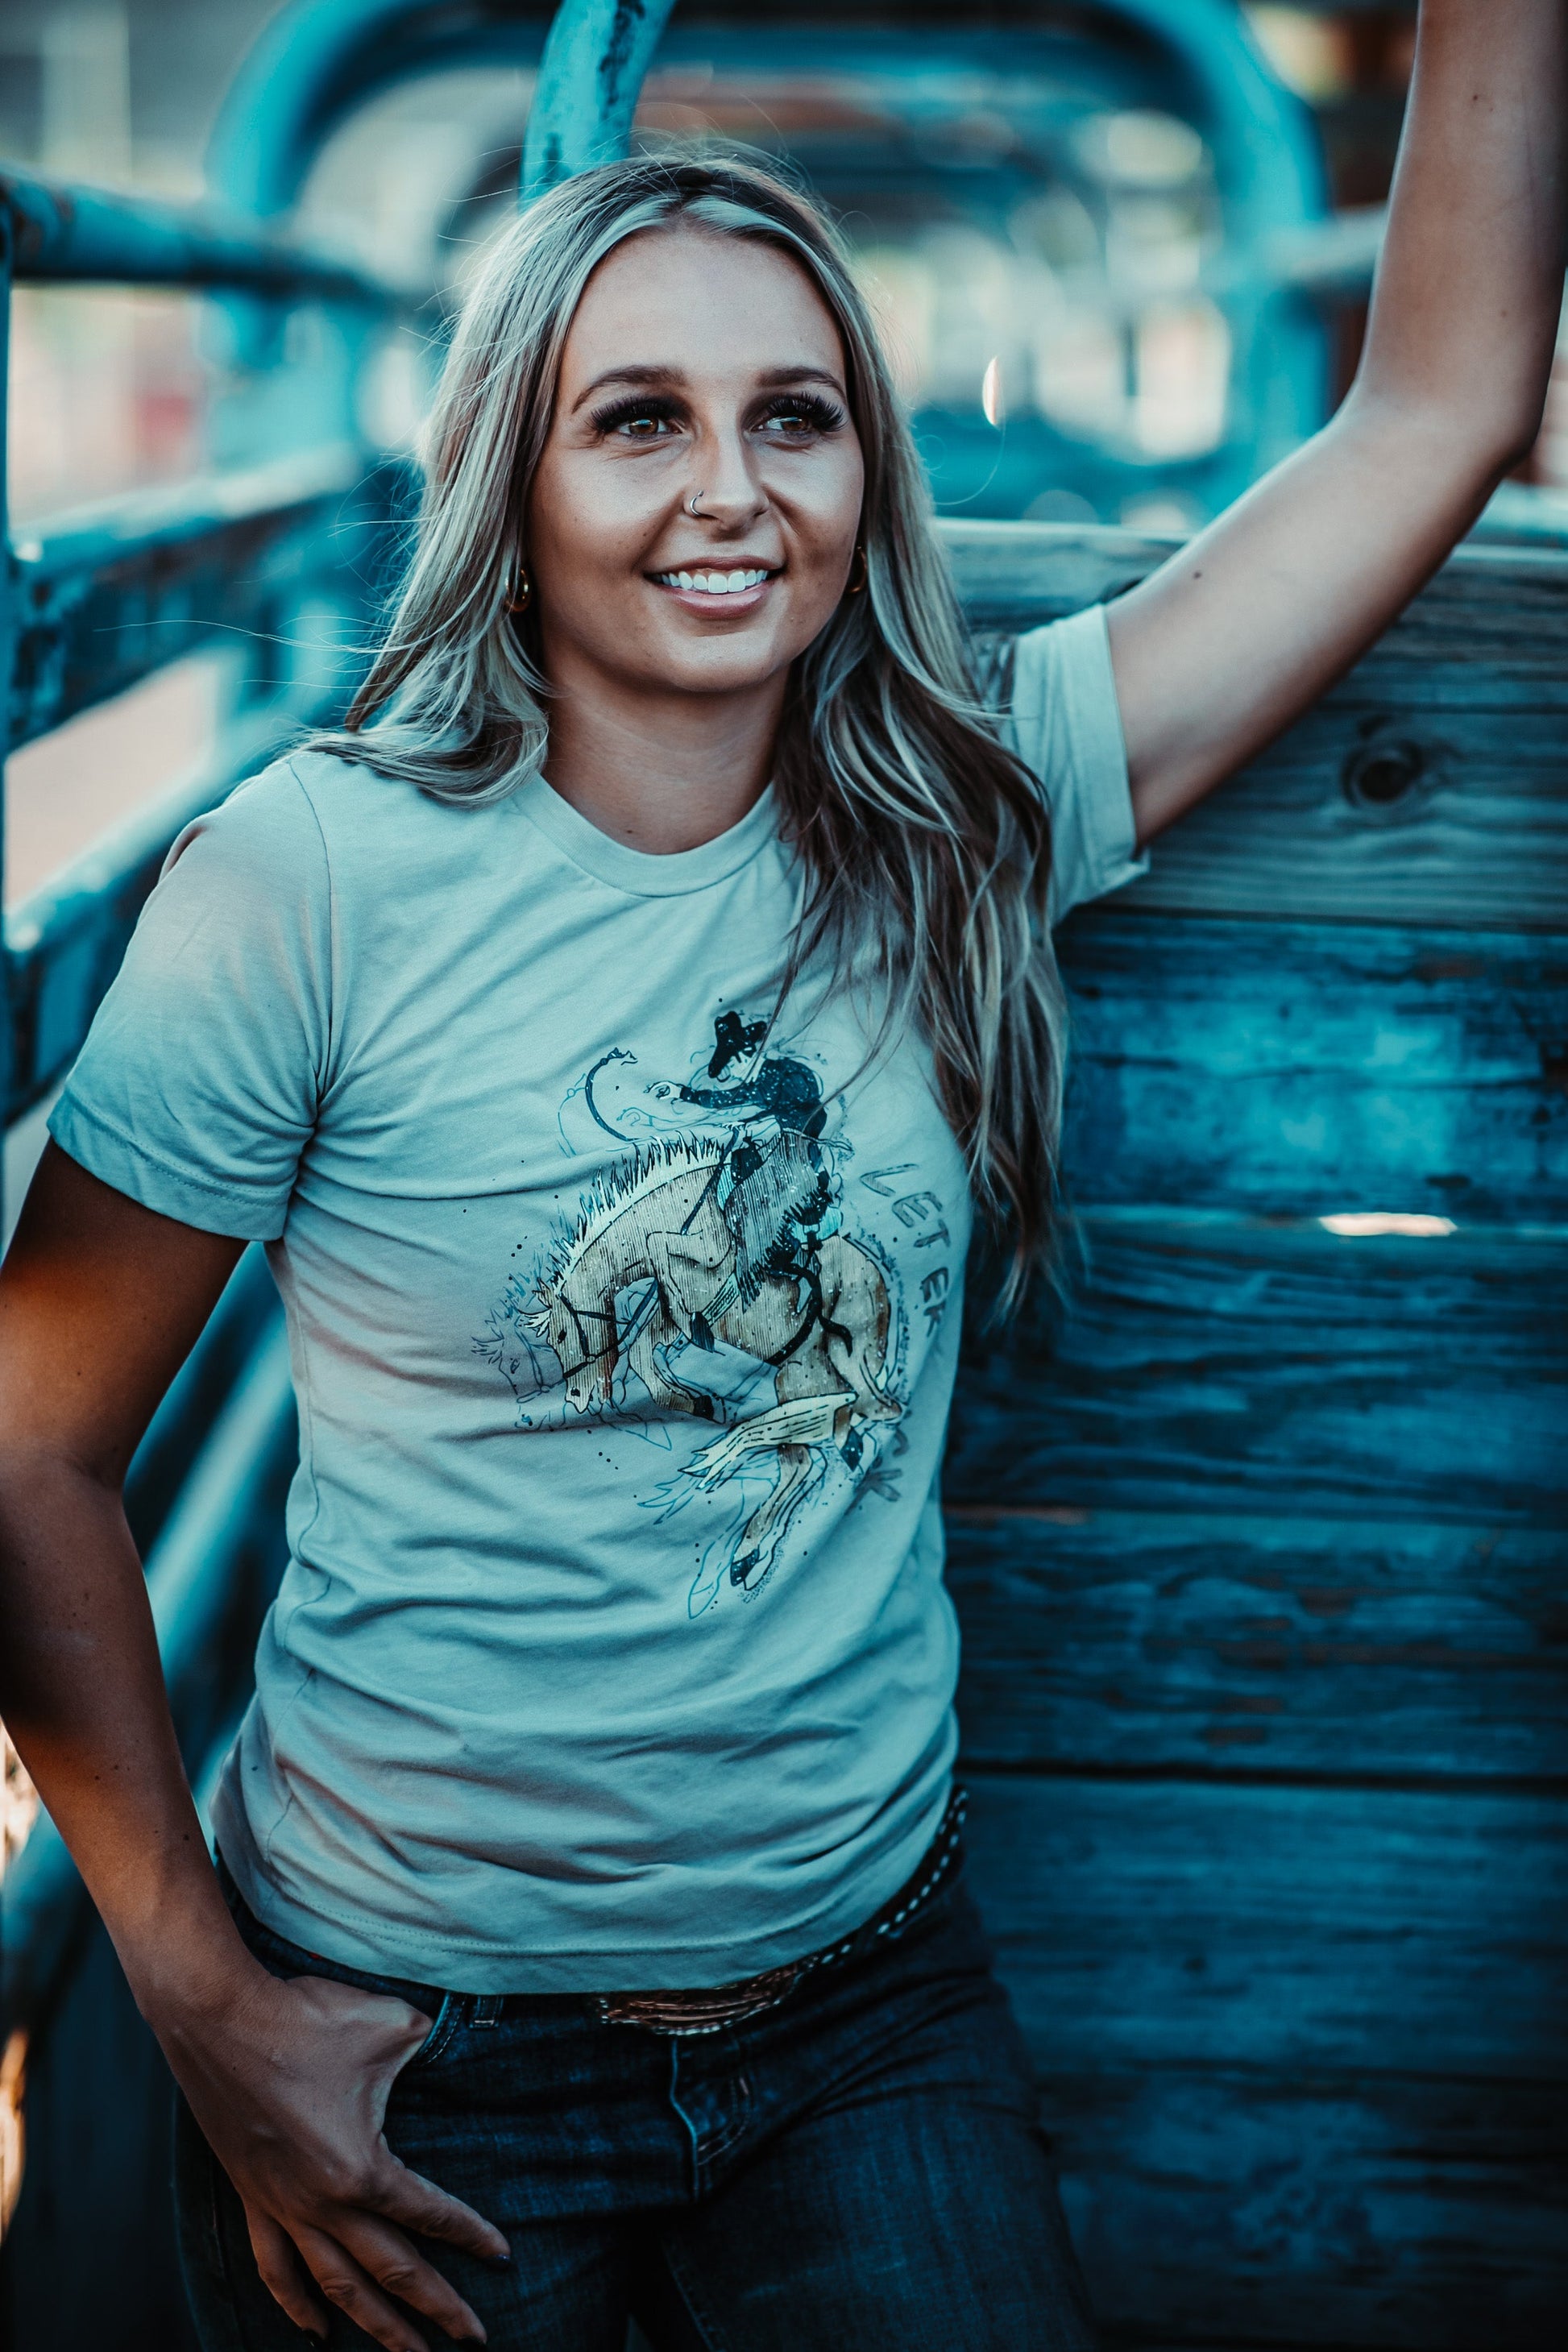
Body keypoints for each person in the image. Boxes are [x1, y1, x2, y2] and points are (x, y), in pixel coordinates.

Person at [1, 7, 1562, 2347]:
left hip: (859, 2008)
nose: (729, 488)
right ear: (509, 478)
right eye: (637, 420)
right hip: (415, 2033)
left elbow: (1432, 409)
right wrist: (210, 2008)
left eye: (792, 417)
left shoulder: (970, 802)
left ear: (863, 469)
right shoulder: (311, 879)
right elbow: (29, 1443)